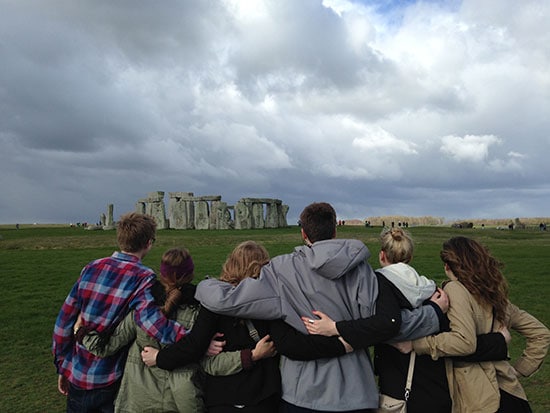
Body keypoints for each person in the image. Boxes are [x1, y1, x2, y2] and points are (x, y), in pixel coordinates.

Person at [194, 202, 443, 412]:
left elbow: (227, 300)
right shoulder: (363, 271)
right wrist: (434, 314)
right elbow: (387, 325)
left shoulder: (281, 271)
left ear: (304, 233)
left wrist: (203, 285)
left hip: (302, 393)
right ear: (334, 231)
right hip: (356, 392)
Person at [303, 227, 510, 413]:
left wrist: (335, 327)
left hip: (400, 383)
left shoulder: (378, 284)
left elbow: (385, 326)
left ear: (382, 255)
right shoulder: (433, 290)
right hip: (436, 383)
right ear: (409, 257)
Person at [142, 240, 352, 413]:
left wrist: (159, 358)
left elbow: (194, 345)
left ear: (231, 263)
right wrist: (341, 344)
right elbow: (291, 344)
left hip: (221, 396)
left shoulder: (214, 301)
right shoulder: (271, 301)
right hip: (262, 394)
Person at [52, 212, 187, 413]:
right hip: (109, 376)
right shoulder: (143, 276)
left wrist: (63, 365)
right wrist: (191, 337)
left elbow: (64, 321)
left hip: (78, 373)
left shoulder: (91, 267)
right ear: (149, 243)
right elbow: (151, 322)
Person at [405, 236, 550, 412]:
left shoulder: (455, 289)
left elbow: (464, 342)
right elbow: (541, 333)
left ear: (448, 267)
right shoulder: (495, 296)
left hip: (480, 400)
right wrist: (518, 370)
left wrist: (418, 344)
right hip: (511, 393)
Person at [82, 247, 204, 413]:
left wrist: (81, 333)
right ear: (190, 274)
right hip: (180, 400)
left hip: (139, 399)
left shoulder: (143, 309)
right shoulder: (200, 312)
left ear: (162, 274)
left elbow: (106, 347)